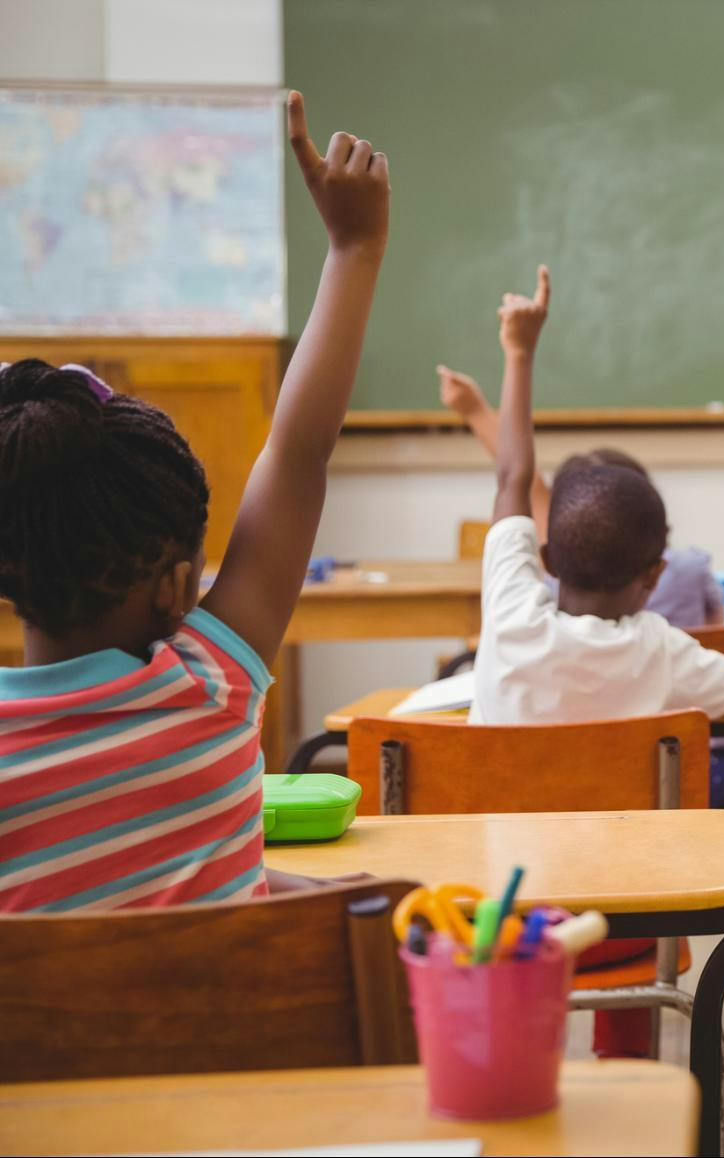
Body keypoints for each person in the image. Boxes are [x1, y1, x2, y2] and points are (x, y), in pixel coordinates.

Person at [0, 92, 388, 909]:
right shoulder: (210, 688)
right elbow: (299, 451)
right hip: (245, 1042)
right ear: (178, 589)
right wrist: (355, 247)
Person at [469, 263, 724, 1059]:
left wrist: (519, 352)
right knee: (629, 882)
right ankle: (628, 1083)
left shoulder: (511, 617)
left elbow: (510, 477)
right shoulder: (661, 651)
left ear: (548, 553)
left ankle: (505, 1080)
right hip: (627, 930)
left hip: (497, 920)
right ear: (657, 578)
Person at [437, 367, 724, 627]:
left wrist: (476, 409)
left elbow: (520, 482)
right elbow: (719, 636)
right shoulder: (689, 574)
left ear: (549, 555)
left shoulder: (534, 619)